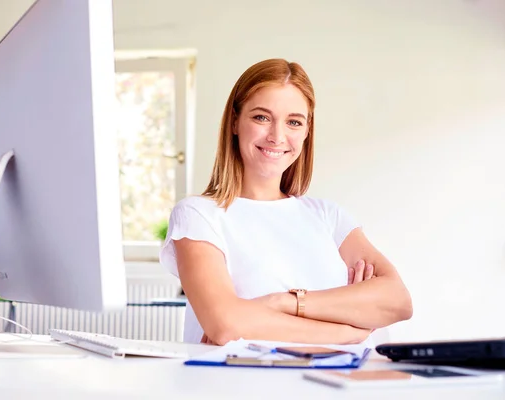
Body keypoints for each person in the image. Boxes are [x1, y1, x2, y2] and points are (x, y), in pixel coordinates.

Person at [159, 58, 412, 346]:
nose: (277, 136)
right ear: (234, 122)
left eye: (294, 122)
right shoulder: (198, 216)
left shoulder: (328, 217)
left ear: (306, 131)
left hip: (335, 386)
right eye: (261, 117)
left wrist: (283, 302)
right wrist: (345, 330)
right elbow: (225, 324)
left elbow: (398, 301)